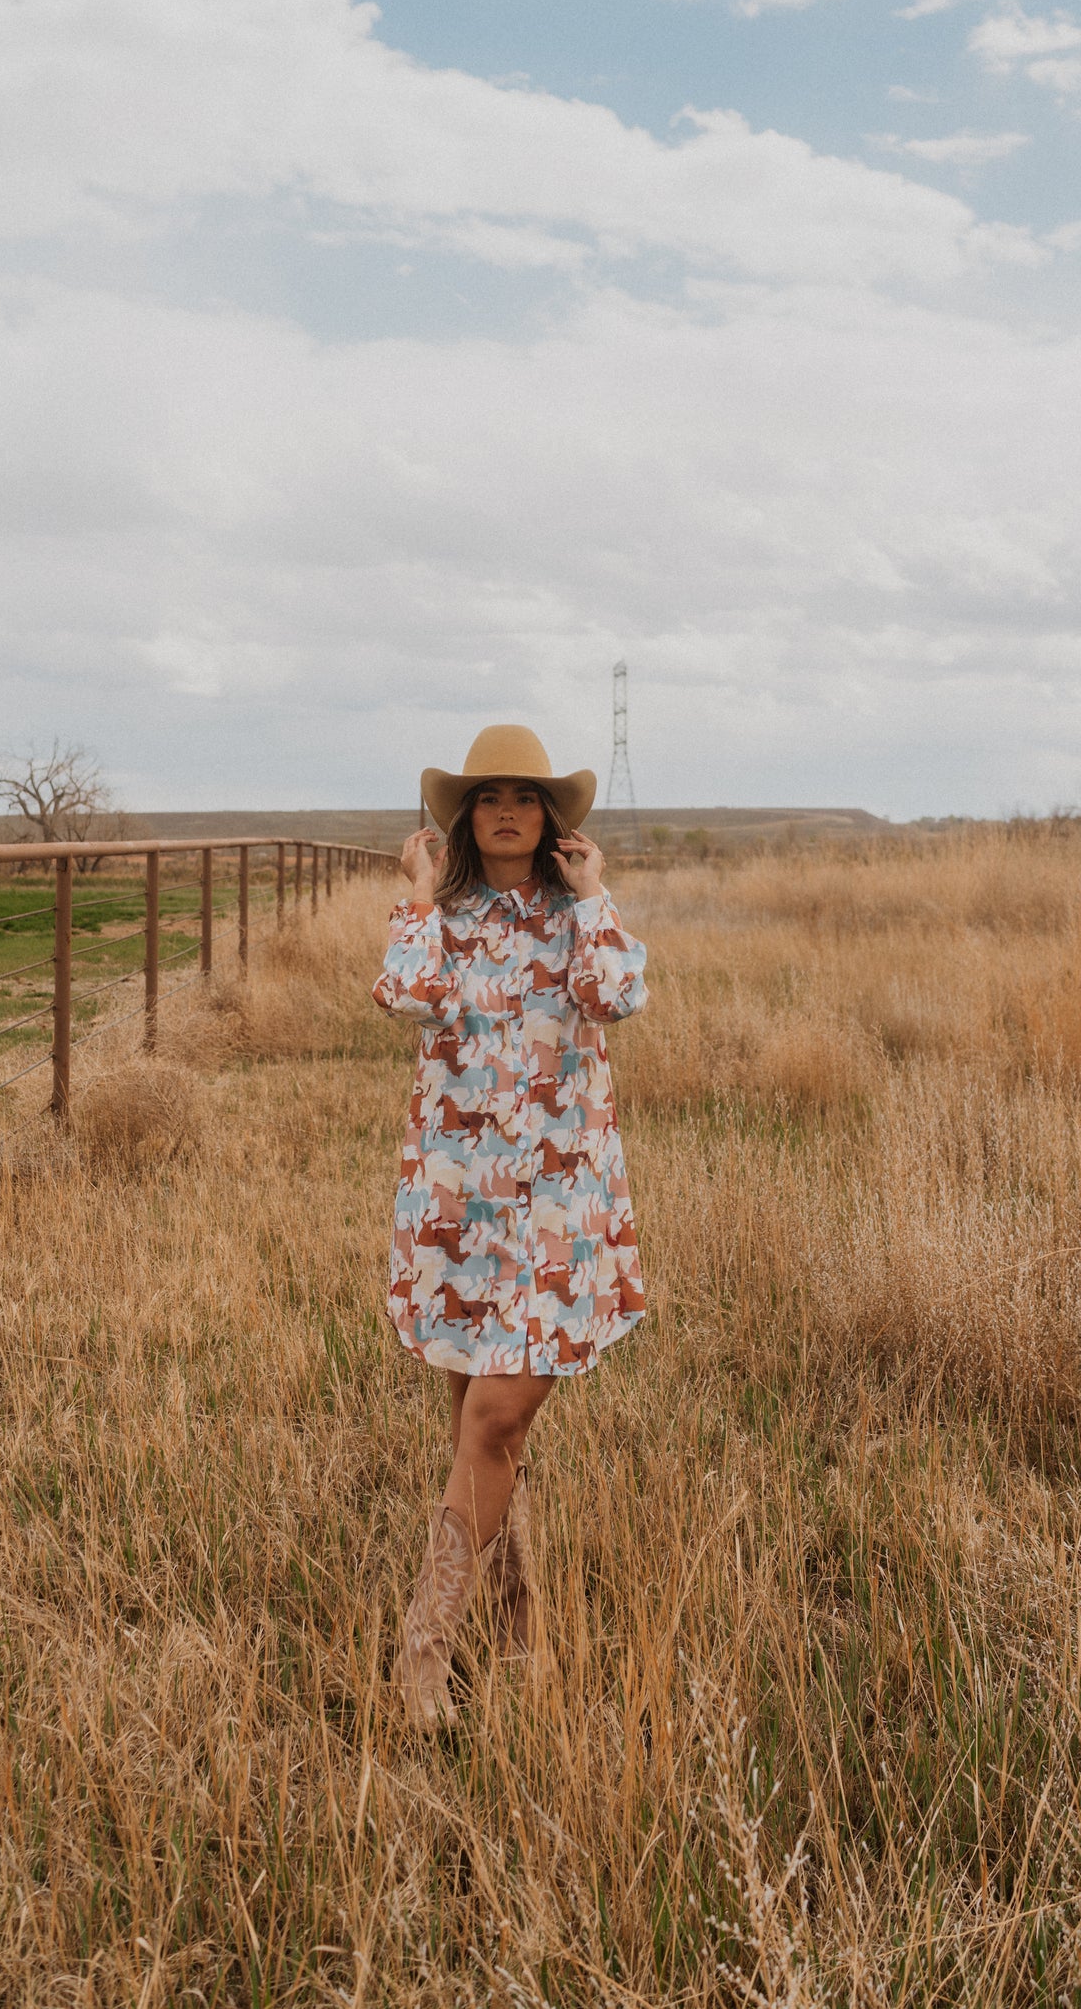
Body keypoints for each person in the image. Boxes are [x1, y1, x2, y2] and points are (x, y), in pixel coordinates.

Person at [373, 723, 649, 1729]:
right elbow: (403, 994)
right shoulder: (437, 922)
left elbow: (619, 995)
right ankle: (522, 1618)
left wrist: (592, 897)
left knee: (493, 1417)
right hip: (459, 1211)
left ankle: (423, 1651)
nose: (505, 810)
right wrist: (415, 898)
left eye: (524, 796)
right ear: (461, 815)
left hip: (561, 1207)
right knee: (483, 1427)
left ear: (551, 818)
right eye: (487, 794)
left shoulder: (581, 919)